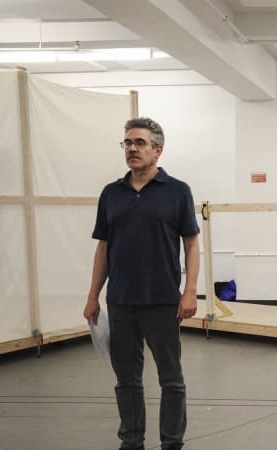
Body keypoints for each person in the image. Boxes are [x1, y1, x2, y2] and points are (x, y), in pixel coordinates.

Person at [83, 117, 200, 450]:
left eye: (139, 143)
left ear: (157, 150)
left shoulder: (178, 191)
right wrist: (93, 296)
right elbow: (103, 247)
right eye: (127, 143)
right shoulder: (111, 194)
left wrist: (189, 291)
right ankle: (131, 441)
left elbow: (191, 243)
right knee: (127, 381)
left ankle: (172, 442)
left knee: (171, 380)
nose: (132, 149)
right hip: (120, 301)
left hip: (163, 301)